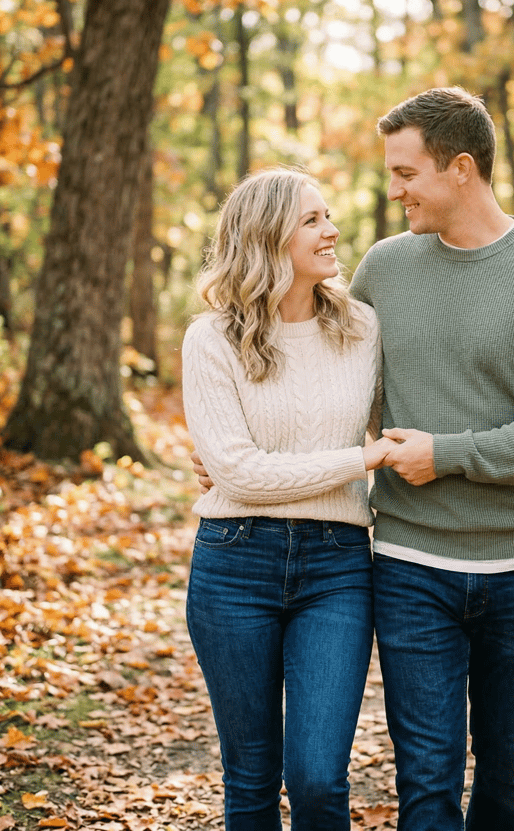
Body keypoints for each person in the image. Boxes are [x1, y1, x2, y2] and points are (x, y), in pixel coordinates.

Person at [194, 87, 514, 831]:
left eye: (405, 172)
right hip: (410, 562)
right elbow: (320, 372)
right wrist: (232, 458)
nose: (392, 190)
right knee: (425, 775)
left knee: (510, 768)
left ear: (459, 169)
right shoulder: (385, 270)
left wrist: (444, 454)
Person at [181, 166, 391, 831]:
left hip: (338, 568)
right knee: (249, 779)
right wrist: (359, 459)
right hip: (233, 566)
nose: (332, 230)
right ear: (267, 236)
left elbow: (401, 429)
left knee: (319, 776)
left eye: (328, 215)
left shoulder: (361, 329)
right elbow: (239, 474)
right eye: (312, 220)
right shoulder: (209, 339)